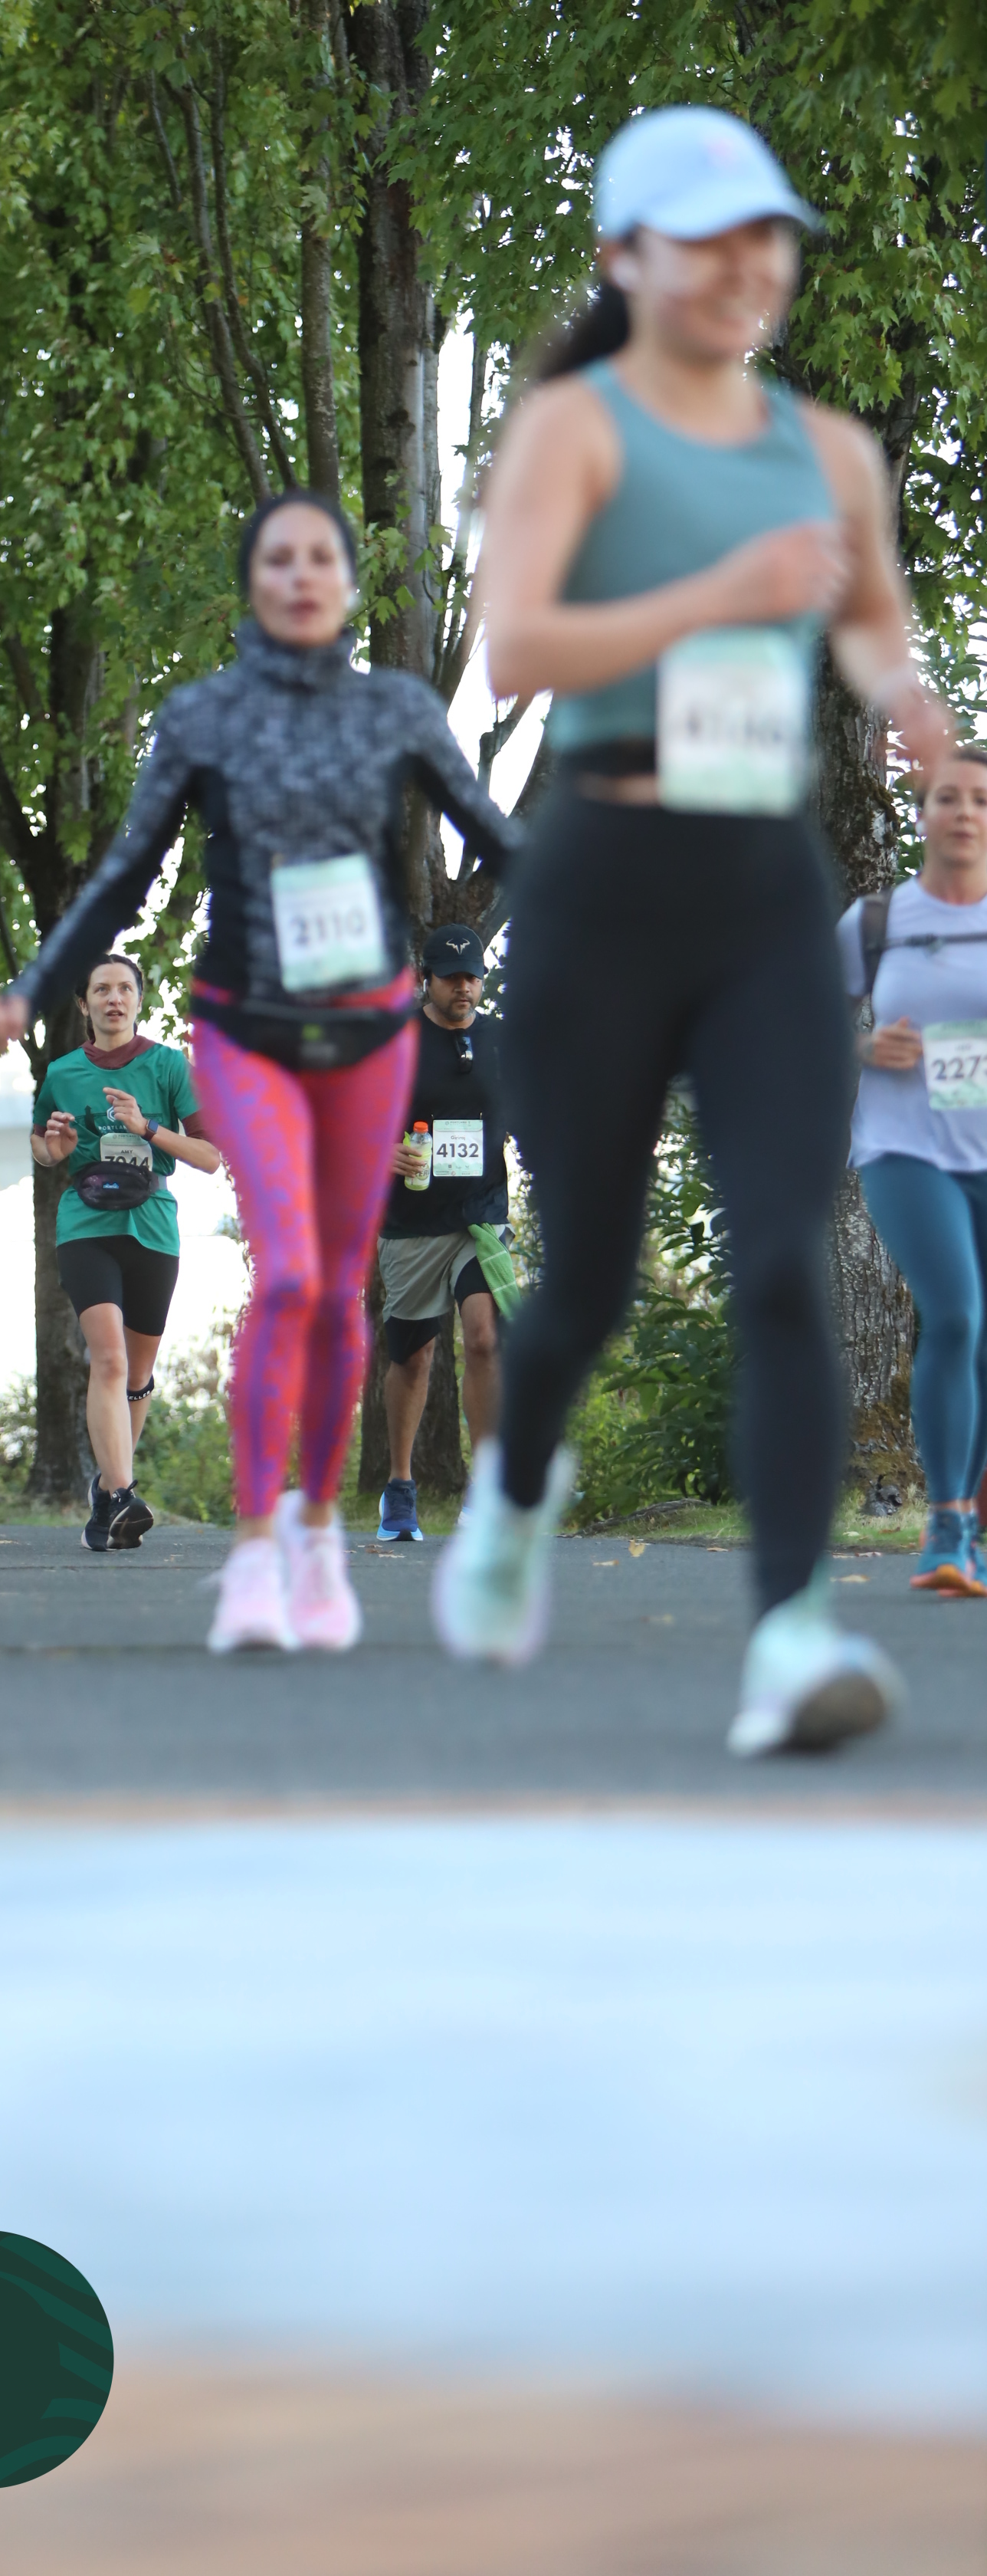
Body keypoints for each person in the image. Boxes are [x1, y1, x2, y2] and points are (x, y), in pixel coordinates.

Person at [433, 105, 953, 1756]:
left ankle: (792, 1637)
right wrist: (721, 593)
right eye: (710, 240)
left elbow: (870, 625)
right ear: (624, 258)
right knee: (582, 1276)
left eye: (768, 239)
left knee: (782, 1253)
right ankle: (515, 1492)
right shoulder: (572, 430)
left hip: (761, 892)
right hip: (601, 875)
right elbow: (520, 646)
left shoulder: (831, 451)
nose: (749, 267)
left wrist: (920, 712)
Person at [0, 491, 517, 1650]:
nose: (302, 574)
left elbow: (497, 835)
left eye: (323, 556)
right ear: (254, 583)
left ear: (348, 584)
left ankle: (318, 1537)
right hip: (247, 1028)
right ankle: (260, 1550)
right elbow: (126, 872)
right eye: (279, 558)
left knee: (333, 1288)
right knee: (287, 1279)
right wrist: (34, 984)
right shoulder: (204, 716)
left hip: (364, 1032)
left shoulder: (395, 711)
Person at [841, 744, 987, 1593]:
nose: (964, 812)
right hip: (904, 1148)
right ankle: (945, 1530)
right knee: (956, 1316)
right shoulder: (876, 920)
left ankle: (967, 1521)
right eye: (948, 797)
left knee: (982, 1338)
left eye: (981, 800)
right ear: (922, 811)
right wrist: (862, 1046)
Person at [31, 952, 221, 1550]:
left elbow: (211, 1156)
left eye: (124, 989)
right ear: (83, 1004)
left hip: (153, 1226)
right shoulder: (61, 1072)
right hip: (86, 1223)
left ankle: (107, 1498)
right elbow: (42, 1147)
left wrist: (148, 1129)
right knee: (109, 1360)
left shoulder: (170, 1066)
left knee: (137, 1376)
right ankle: (121, 1492)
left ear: (139, 1000)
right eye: (101, 989)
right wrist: (56, 1148)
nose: (113, 999)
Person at [375, 923, 513, 1542]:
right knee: (414, 1357)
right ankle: (399, 1486)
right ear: (425, 979)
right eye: (452, 977)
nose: (464, 987)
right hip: (412, 1224)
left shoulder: (500, 1041)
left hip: (481, 1217)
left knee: (484, 1337)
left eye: (472, 977)